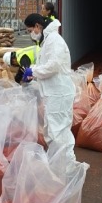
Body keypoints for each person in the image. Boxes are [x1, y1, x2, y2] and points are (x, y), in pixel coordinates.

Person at [22, 13, 76, 161]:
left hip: (59, 93)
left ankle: (67, 169)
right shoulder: (47, 40)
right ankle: (58, 166)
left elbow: (53, 66)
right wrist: (33, 71)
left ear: (38, 26)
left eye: (29, 30)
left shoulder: (54, 40)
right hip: (53, 94)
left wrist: (33, 71)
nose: (30, 34)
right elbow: (45, 64)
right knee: (52, 131)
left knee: (58, 133)